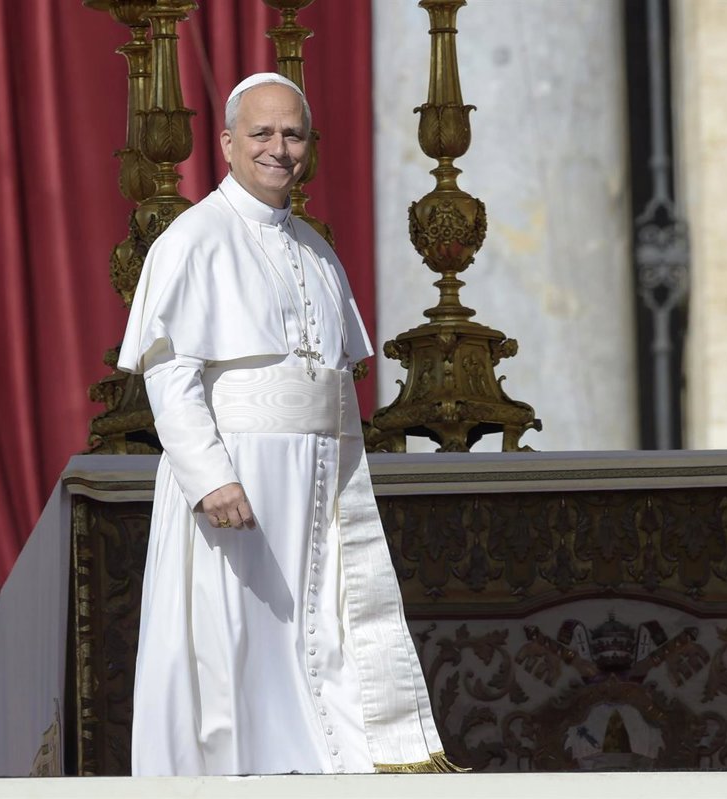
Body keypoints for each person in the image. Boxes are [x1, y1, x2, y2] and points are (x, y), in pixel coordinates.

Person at [117, 73, 457, 776]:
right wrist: (210, 477)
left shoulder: (315, 249)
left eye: (293, 134)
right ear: (227, 143)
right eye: (262, 133)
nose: (279, 147)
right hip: (237, 479)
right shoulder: (193, 239)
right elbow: (171, 373)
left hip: (317, 484)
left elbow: (334, 380)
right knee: (234, 645)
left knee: (325, 633)